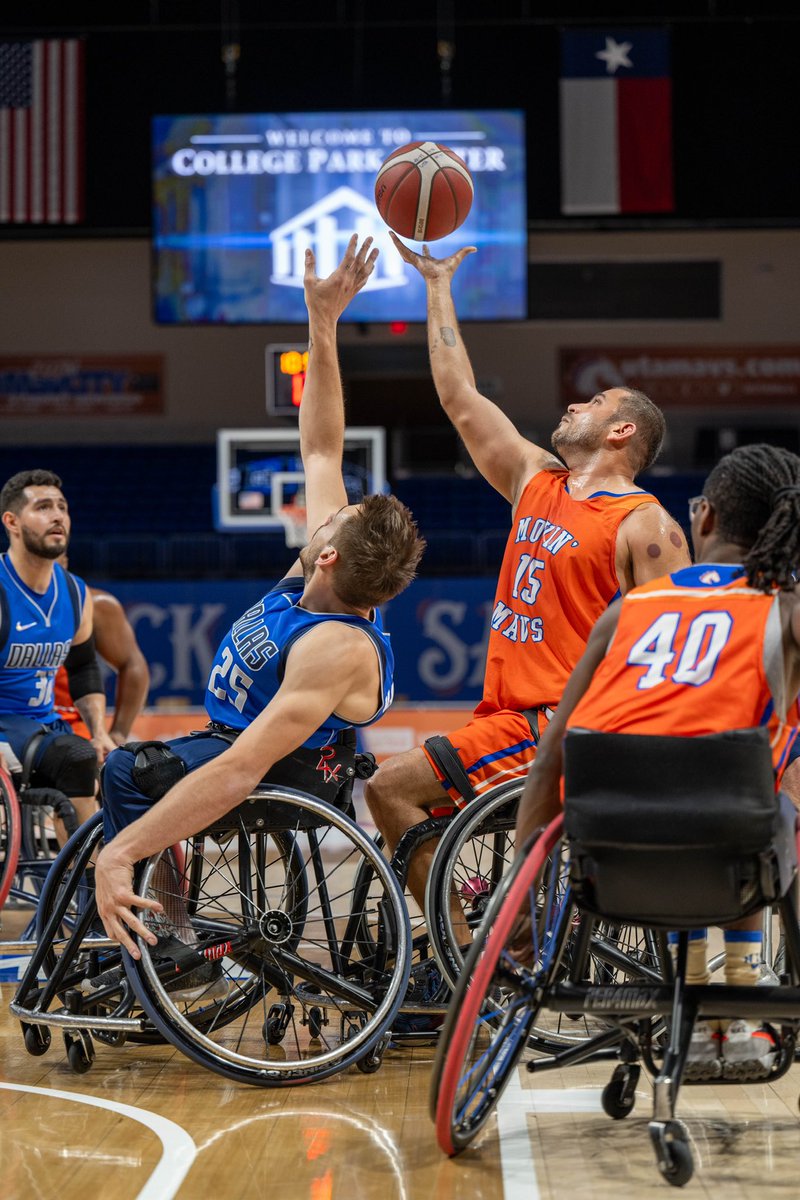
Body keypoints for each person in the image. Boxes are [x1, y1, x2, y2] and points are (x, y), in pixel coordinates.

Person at [93, 235, 425, 975]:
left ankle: (171, 938)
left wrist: (124, 849)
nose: (323, 512)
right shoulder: (323, 574)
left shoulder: (335, 645)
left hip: (286, 777)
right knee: (144, 768)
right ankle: (149, 909)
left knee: (123, 773)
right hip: (243, 747)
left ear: (332, 552)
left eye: (333, 520)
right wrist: (323, 323)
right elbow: (321, 448)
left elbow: (244, 770)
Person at [364, 235, 691, 957]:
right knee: (408, 803)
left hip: (555, 725)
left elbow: (668, 653)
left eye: (595, 401)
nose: (576, 402)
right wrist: (437, 284)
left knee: (390, 789)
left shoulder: (646, 526)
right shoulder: (535, 481)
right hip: (505, 717)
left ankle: (457, 968)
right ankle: (499, 943)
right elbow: (458, 397)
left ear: (622, 430)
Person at [516, 442, 800, 1077]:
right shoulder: (785, 614)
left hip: (608, 863)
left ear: (702, 520)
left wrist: (523, 873)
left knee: (690, 774)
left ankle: (701, 979)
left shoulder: (625, 612)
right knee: (767, 787)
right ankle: (744, 978)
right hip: (735, 851)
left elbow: (550, 759)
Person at [0, 470, 116, 835]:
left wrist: (100, 732)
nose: (57, 516)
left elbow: (83, 669)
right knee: (74, 757)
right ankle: (88, 879)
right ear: (12, 522)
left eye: (62, 507)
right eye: (43, 507)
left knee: (134, 765)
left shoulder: (74, 591)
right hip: (5, 725)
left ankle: (110, 871)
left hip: (45, 726)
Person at [53, 555, 151, 746]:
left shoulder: (93, 603)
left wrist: (118, 733)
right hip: (13, 725)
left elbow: (132, 664)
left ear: (64, 561)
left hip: (73, 732)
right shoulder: (8, 599)